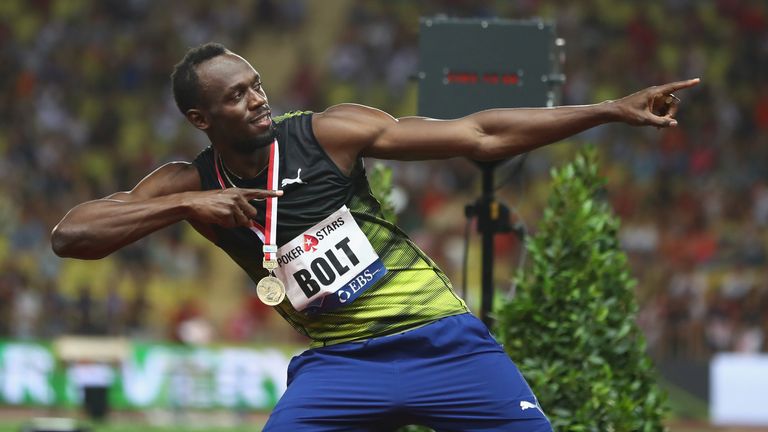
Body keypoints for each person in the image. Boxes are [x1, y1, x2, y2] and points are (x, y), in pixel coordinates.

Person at [51, 42, 699, 431]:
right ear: (201, 118)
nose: (257, 99)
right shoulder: (186, 182)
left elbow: (479, 135)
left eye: (257, 85)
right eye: (237, 95)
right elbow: (70, 235)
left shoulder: (327, 133)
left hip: (443, 344)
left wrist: (608, 110)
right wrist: (188, 202)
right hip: (342, 366)